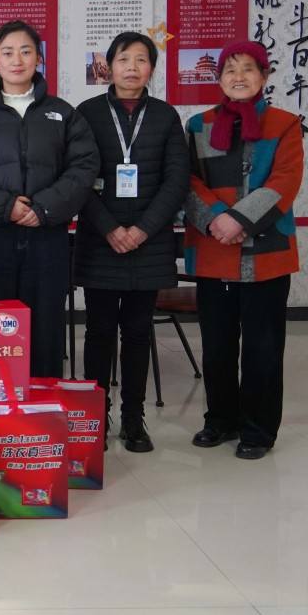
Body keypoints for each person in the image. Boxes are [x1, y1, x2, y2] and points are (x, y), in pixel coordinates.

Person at [0, 20, 99, 378]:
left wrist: (43, 208)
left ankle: (44, 401)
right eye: (7, 52)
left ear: (39, 59)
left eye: (26, 51)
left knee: (45, 326)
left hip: (47, 237)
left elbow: (83, 167)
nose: (17, 60)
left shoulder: (63, 114)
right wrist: (6, 207)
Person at [183, 40, 303, 460]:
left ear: (264, 76)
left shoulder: (285, 124)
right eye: (230, 70)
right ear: (219, 79)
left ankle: (258, 430)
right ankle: (220, 419)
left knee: (263, 348)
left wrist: (239, 220)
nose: (238, 77)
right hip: (213, 249)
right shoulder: (198, 125)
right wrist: (218, 218)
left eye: (248, 69)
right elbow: (188, 181)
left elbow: (284, 181)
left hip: (267, 254)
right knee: (217, 346)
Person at [73, 32, 190, 452]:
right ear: (109, 66)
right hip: (100, 239)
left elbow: (177, 180)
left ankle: (133, 419)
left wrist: (142, 229)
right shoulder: (87, 113)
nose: (132, 68)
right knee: (99, 332)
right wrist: (109, 228)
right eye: (124, 59)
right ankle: (96, 418)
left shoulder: (165, 116)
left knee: (139, 332)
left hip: (149, 242)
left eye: (142, 60)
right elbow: (78, 178)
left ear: (151, 69)